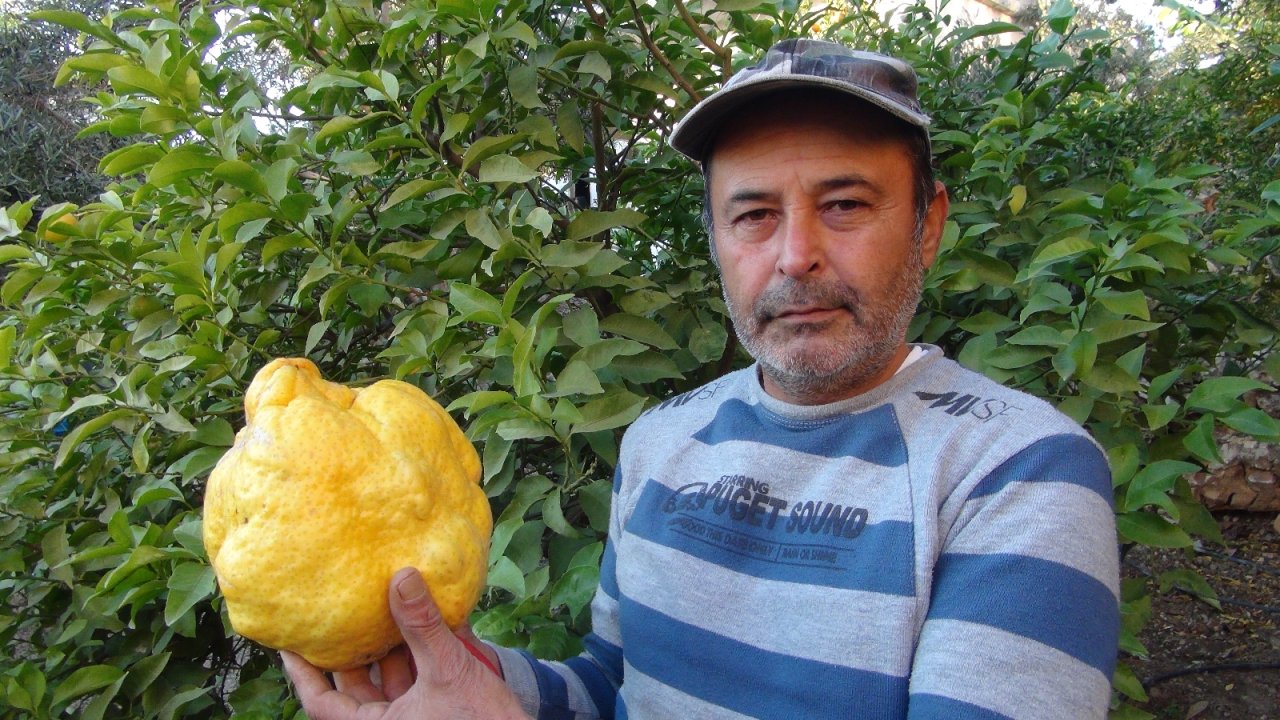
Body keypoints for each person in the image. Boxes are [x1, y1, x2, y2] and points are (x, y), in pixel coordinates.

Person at [282, 38, 1121, 719]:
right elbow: (615, 690)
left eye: (846, 204)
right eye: (754, 214)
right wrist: (467, 673)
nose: (796, 255)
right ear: (717, 237)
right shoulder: (662, 441)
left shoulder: (1018, 470)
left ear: (926, 225)